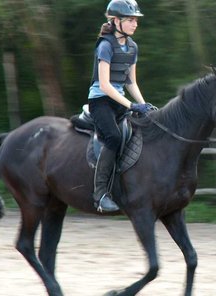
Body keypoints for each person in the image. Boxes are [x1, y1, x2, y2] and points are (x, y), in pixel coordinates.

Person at [88, 0, 154, 212]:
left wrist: (144, 107)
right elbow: (106, 85)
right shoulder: (105, 45)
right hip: (101, 101)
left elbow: (131, 82)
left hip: (120, 100)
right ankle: (100, 195)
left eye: (136, 20)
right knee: (114, 138)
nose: (135, 24)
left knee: (144, 130)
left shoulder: (133, 47)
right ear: (116, 21)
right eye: (130, 20)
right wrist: (132, 105)